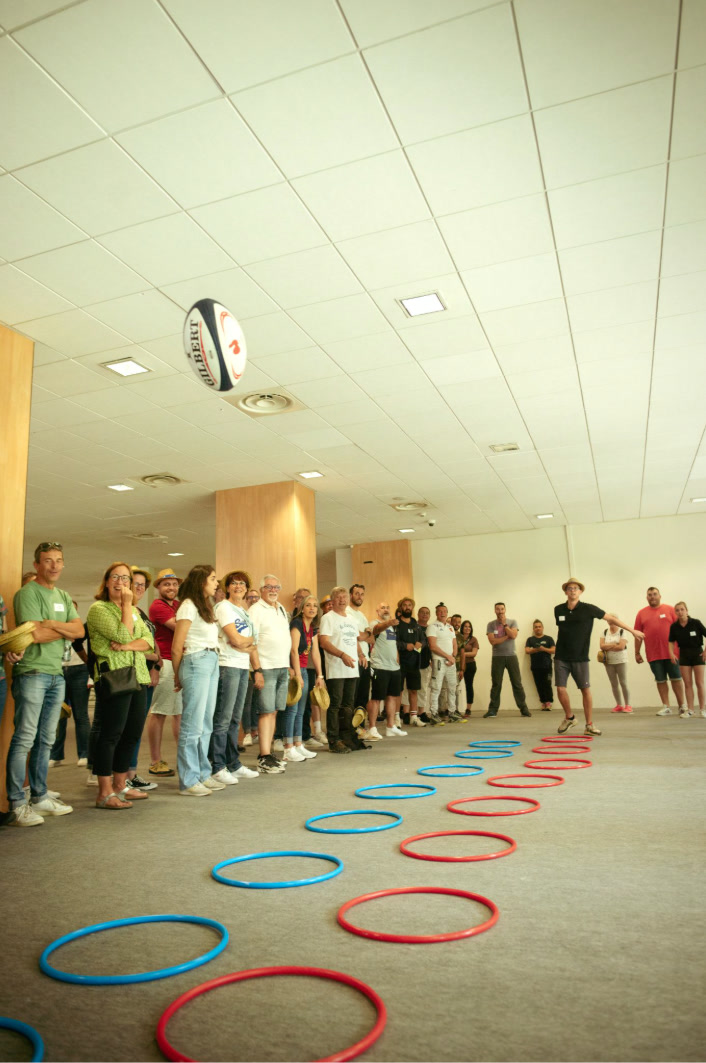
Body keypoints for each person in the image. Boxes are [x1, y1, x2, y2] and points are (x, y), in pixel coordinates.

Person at [6, 542, 81, 826]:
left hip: (56, 674)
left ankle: (40, 796)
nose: (54, 565)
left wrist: (53, 625)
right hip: (32, 672)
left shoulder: (62, 594)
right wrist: (62, 630)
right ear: (37, 565)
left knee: (46, 739)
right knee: (25, 738)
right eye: (47, 561)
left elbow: (79, 630)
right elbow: (34, 634)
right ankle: (17, 803)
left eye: (58, 560)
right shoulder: (27, 593)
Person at [87, 562, 155, 810]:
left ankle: (120, 785)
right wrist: (127, 607)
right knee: (111, 734)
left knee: (131, 734)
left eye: (125, 578)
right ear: (106, 582)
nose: (121, 582)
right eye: (115, 577)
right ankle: (104, 792)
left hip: (137, 676)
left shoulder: (135, 611)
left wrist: (126, 645)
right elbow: (124, 635)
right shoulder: (99, 609)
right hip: (114, 677)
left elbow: (149, 642)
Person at [554, 578, 643, 736]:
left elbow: (611, 619)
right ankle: (569, 717)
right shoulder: (558, 609)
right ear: (565, 592)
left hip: (580, 658)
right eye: (569, 588)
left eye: (575, 588)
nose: (572, 590)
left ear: (580, 591)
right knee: (560, 689)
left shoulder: (589, 609)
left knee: (585, 690)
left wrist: (632, 631)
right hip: (561, 656)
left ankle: (589, 725)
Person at [172, 565, 223, 796]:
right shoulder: (188, 606)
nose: (216, 583)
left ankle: (203, 773)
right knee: (192, 725)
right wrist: (178, 674)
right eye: (213, 579)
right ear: (201, 581)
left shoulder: (206, 607)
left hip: (211, 659)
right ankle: (188, 779)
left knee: (205, 723)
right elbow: (176, 646)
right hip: (195, 661)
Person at [209, 570, 260, 784]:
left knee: (234, 719)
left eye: (242, 583)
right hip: (226, 666)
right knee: (222, 719)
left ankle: (233, 763)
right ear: (227, 587)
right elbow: (237, 641)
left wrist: (244, 643)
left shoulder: (243, 611)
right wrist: (245, 643)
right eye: (234, 583)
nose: (238, 586)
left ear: (247, 589)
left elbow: (253, 641)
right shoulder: (223, 607)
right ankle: (217, 766)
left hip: (241, 666)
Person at [249, 574, 292, 774]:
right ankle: (263, 756)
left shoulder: (281, 608)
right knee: (266, 711)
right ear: (261, 590)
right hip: (265, 667)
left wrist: (288, 665)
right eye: (268, 587)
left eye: (276, 587)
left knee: (274, 711)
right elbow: (252, 642)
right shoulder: (256, 610)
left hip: (282, 667)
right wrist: (256, 670)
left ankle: (268, 754)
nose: (273, 590)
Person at [123, 568, 160, 792]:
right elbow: (126, 645)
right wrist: (154, 655)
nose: (138, 588)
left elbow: (149, 641)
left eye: (142, 585)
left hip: (146, 674)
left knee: (135, 727)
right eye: (134, 583)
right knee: (126, 727)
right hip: (130, 675)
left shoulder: (140, 611)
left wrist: (155, 663)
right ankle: (121, 774)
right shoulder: (123, 611)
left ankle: (132, 773)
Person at [147, 569, 183, 776]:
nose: (171, 588)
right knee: (159, 712)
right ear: (159, 587)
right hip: (166, 662)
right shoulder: (157, 606)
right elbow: (179, 628)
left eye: (174, 584)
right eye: (166, 584)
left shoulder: (178, 605)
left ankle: (182, 757)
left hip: (180, 661)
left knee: (179, 713)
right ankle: (155, 760)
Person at [48, 600, 90, 767]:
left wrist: (88, 669)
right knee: (58, 715)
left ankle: (84, 754)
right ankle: (56, 754)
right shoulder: (54, 624)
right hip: (57, 670)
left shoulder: (78, 626)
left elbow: (78, 641)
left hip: (79, 670)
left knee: (81, 715)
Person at [318, 586, 360, 753]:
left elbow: (355, 640)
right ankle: (334, 740)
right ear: (332, 601)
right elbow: (324, 642)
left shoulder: (351, 619)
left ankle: (346, 737)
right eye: (338, 597)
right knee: (335, 705)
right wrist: (342, 655)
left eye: (344, 597)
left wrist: (361, 654)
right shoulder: (328, 618)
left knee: (348, 705)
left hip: (353, 667)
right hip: (336, 668)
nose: (342, 600)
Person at [634, 587, 686, 716]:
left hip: (672, 653)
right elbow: (638, 635)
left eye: (655, 594)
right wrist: (637, 652)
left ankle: (682, 706)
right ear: (647, 597)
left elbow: (681, 629)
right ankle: (666, 706)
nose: (652, 597)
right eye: (650, 595)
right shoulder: (641, 613)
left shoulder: (669, 609)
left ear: (660, 596)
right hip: (653, 654)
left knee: (676, 678)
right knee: (660, 680)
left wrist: (682, 648)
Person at [286, 595, 325, 761]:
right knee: (292, 710)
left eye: (315, 606)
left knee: (301, 711)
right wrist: (297, 673)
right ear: (302, 608)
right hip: (294, 669)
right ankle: (288, 749)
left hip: (304, 668)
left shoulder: (313, 627)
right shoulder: (296, 623)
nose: (312, 608)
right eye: (308, 605)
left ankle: (298, 744)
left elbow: (315, 652)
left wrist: (320, 674)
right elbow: (293, 650)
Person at [363, 602, 406, 740]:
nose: (386, 609)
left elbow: (393, 645)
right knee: (376, 698)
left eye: (388, 607)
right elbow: (376, 630)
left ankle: (390, 727)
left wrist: (397, 659)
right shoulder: (375, 623)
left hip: (394, 667)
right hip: (379, 666)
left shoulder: (392, 627)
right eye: (383, 608)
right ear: (377, 611)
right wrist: (388, 623)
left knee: (393, 696)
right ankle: (372, 728)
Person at [485, 603, 531, 718]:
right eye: (497, 609)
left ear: (505, 610)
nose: (500, 611)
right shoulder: (491, 624)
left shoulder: (512, 622)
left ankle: (524, 708)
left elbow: (514, 635)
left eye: (502, 609)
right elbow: (493, 641)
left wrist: (505, 625)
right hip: (497, 657)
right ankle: (492, 710)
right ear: (494, 610)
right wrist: (506, 636)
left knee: (517, 683)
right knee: (496, 683)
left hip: (511, 656)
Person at [669, 602, 706, 718]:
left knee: (699, 683)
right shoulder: (674, 626)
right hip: (684, 655)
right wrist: (671, 653)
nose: (680, 612)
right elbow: (671, 641)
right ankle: (690, 710)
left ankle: (703, 709)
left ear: (686, 610)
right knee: (687, 684)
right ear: (675, 612)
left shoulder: (696, 623)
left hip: (697, 654)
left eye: (682, 609)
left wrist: (705, 651)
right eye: (677, 610)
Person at [396, 597, 425, 727]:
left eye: (409, 605)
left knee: (414, 690)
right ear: (401, 608)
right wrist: (404, 646)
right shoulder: (396, 624)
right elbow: (393, 642)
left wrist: (421, 644)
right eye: (405, 605)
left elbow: (424, 640)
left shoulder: (416, 625)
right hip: (400, 662)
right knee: (399, 691)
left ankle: (414, 716)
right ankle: (396, 717)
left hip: (414, 662)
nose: (407, 607)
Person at [426, 603, 457, 724]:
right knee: (436, 687)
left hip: (451, 662)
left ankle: (452, 712)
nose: (442, 613)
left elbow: (454, 644)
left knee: (452, 687)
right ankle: (434, 714)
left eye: (444, 611)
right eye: (440, 611)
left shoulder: (450, 627)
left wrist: (452, 656)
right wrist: (447, 656)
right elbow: (433, 646)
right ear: (436, 613)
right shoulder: (432, 627)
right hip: (439, 661)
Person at [347, 583, 372, 713]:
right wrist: (366, 633)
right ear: (351, 595)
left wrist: (365, 634)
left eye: (362, 594)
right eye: (357, 594)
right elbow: (356, 637)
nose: (360, 597)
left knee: (363, 697)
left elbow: (371, 638)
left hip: (366, 660)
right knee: (353, 696)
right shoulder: (347, 612)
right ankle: (351, 730)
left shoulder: (361, 615)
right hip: (355, 659)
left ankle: (360, 727)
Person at [599, 622, 631, 713]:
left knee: (623, 682)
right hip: (608, 661)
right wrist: (614, 644)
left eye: (613, 623)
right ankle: (619, 705)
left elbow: (621, 647)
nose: (611, 625)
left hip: (621, 660)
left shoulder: (622, 631)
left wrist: (608, 646)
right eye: (609, 623)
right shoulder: (605, 632)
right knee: (613, 683)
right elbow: (601, 646)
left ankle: (628, 705)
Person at [524, 620, 555, 711]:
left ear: (542, 627)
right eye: (536, 627)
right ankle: (543, 702)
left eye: (539, 626)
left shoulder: (549, 639)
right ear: (533, 629)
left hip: (547, 667)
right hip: (535, 667)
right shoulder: (530, 639)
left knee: (547, 684)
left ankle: (549, 702)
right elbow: (527, 651)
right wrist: (536, 650)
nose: (538, 628)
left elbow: (553, 650)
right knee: (539, 685)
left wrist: (543, 649)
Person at [459, 620, 479, 716]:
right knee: (455, 687)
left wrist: (462, 654)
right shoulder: (457, 638)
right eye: (465, 626)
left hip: (470, 665)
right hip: (458, 665)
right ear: (462, 628)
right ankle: (455, 708)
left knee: (469, 686)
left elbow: (474, 653)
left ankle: (468, 709)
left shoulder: (473, 639)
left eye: (469, 627)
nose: (467, 628)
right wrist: (465, 654)